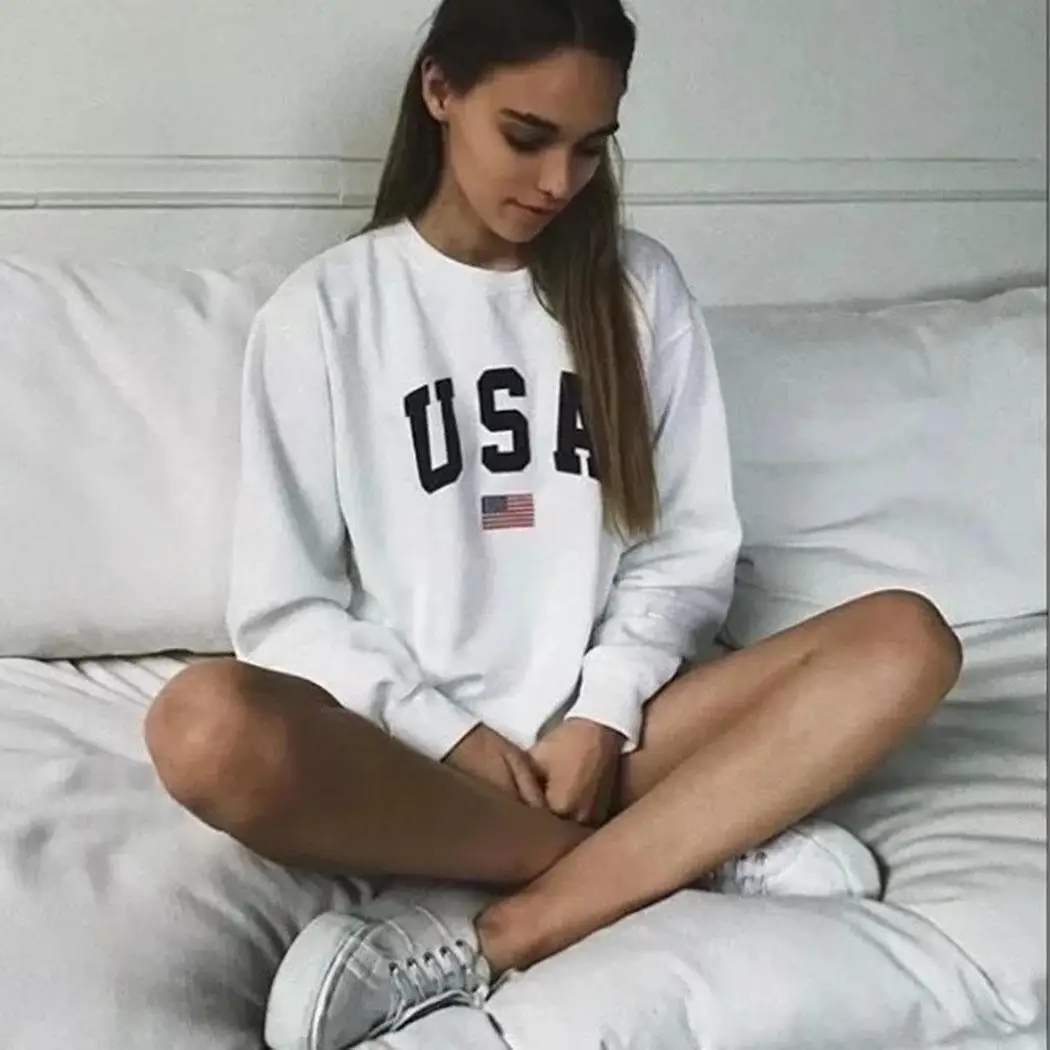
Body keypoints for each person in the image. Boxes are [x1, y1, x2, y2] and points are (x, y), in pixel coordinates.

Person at [143, 0, 963, 1046]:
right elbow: (285, 610)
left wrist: (603, 712)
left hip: (616, 744)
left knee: (908, 640)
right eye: (527, 136)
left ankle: (512, 927)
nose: (557, 182)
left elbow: (685, 551)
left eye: (588, 147)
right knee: (203, 726)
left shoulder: (636, 287)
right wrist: (452, 733)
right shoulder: (327, 312)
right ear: (440, 92)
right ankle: (679, 850)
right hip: (414, 762)